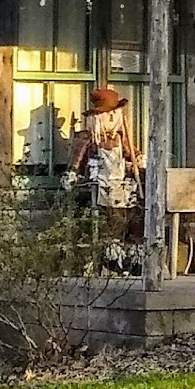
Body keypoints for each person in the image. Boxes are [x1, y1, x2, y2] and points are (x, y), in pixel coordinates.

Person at [69, 89, 141, 263]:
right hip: (98, 188)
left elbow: (132, 155)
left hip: (121, 187)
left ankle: (130, 251)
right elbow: (77, 161)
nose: (111, 118)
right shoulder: (89, 140)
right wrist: (73, 172)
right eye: (106, 114)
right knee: (108, 216)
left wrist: (137, 160)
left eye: (113, 114)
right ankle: (110, 252)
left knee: (133, 213)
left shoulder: (121, 139)